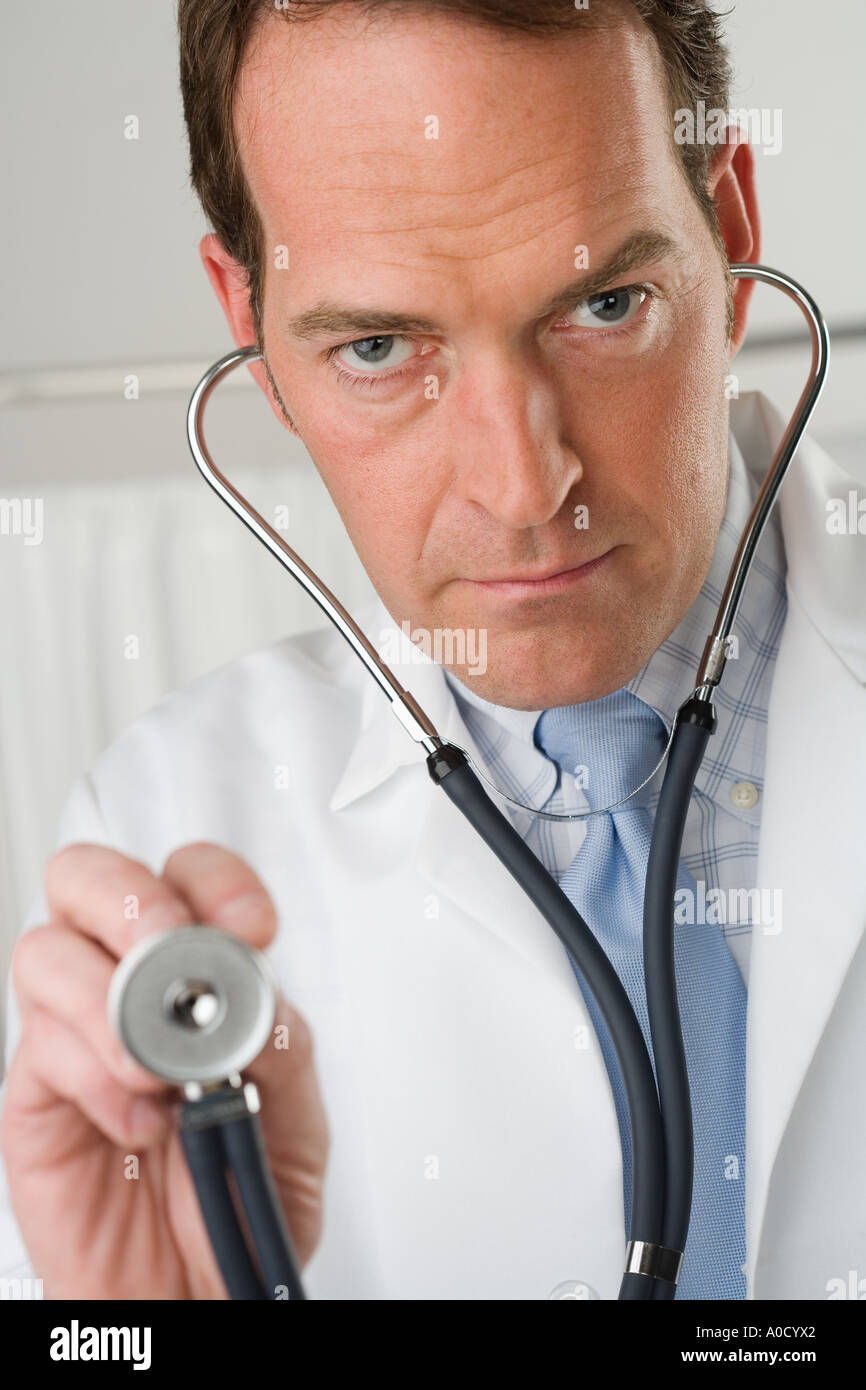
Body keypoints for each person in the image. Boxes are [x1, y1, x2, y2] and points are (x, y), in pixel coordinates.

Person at [1, 0, 864, 1301]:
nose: (522, 487)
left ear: (731, 232)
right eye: (376, 348)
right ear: (248, 321)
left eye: (605, 303)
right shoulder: (169, 835)